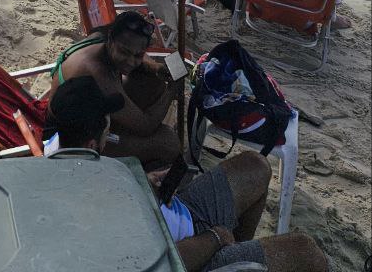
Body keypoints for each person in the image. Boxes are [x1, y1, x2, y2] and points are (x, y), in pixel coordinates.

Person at [46, 77, 327, 272]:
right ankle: (230, 255)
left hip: (177, 214)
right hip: (184, 256)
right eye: (107, 125)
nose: (111, 127)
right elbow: (157, 260)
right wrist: (215, 240)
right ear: (93, 143)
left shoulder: (56, 152)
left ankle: (237, 252)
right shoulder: (95, 204)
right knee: (307, 253)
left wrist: (145, 183)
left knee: (257, 165)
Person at [48, 12, 182, 166]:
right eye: (124, 52)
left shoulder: (101, 34)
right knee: (168, 143)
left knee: (151, 82)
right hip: (70, 140)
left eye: (138, 55)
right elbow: (146, 126)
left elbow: (134, 51)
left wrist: (155, 67)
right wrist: (172, 90)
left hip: (80, 111)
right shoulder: (99, 72)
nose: (131, 61)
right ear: (111, 39)